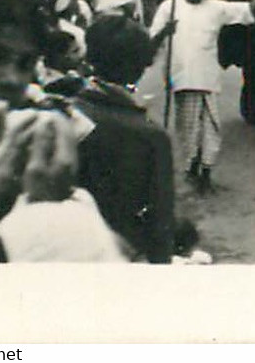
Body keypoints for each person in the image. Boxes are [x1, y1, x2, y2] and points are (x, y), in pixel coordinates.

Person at [73, 14, 177, 263]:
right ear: (140, 67)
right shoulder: (150, 135)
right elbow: (161, 221)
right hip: (126, 251)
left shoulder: (68, 109)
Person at [147, 0, 255, 194]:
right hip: (182, 79)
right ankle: (188, 174)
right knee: (188, 130)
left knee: (211, 128)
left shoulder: (215, 7)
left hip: (207, 80)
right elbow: (150, 43)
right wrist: (164, 32)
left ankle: (205, 174)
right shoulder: (169, 7)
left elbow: (250, 10)